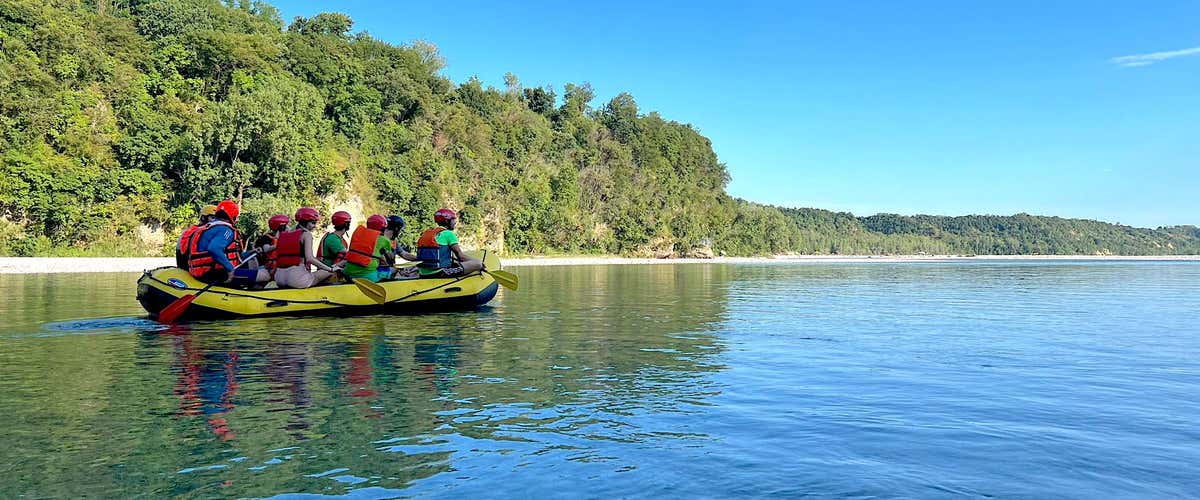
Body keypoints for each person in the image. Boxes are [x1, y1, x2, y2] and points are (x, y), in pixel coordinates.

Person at [187, 200, 263, 287]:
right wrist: (230, 269)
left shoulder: (209, 227)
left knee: (252, 264)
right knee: (265, 274)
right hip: (215, 274)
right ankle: (252, 296)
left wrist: (251, 252)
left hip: (204, 272)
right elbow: (214, 249)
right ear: (233, 215)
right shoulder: (226, 230)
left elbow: (232, 255)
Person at [273, 207, 342, 289]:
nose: (314, 226)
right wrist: (330, 269)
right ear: (305, 222)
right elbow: (310, 258)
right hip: (296, 280)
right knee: (328, 272)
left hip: (279, 279)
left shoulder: (285, 234)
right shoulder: (306, 234)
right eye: (313, 223)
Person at [415, 208, 483, 278]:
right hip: (439, 272)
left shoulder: (427, 234)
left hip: (423, 273)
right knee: (478, 263)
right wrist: (480, 263)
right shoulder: (449, 234)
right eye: (453, 220)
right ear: (447, 221)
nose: (455, 222)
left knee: (455, 263)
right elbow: (461, 257)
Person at [341, 214, 393, 283]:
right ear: (383, 228)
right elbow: (390, 260)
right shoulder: (384, 240)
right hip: (367, 278)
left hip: (347, 274)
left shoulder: (358, 234)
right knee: (390, 269)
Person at [247, 214, 290, 285]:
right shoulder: (266, 238)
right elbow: (266, 249)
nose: (288, 227)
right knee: (258, 285)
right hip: (266, 267)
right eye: (286, 226)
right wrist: (279, 244)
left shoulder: (284, 237)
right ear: (281, 227)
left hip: (277, 267)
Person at [177, 205, 218, 269]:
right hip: (198, 271)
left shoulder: (188, 231)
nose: (215, 221)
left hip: (186, 268)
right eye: (213, 218)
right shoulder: (208, 234)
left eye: (217, 218)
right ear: (203, 218)